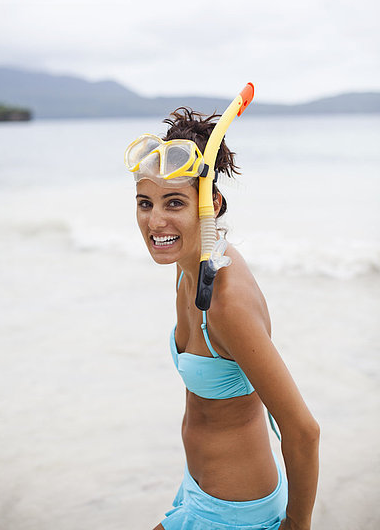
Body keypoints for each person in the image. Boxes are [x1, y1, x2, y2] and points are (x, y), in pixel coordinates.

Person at [125, 107, 320, 530]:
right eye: (145, 203)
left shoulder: (225, 303)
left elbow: (303, 431)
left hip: (235, 514)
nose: (155, 221)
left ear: (210, 203)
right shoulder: (187, 264)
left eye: (173, 203)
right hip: (195, 491)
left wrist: (299, 523)